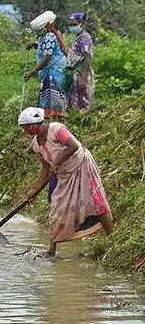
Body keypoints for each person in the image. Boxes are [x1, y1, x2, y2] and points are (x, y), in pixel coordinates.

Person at [18, 107, 113, 257]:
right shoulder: (36, 145)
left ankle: (111, 237)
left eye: (25, 127)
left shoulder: (56, 130)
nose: (25, 131)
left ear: (33, 125)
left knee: (96, 201)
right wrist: (35, 188)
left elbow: (73, 146)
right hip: (64, 174)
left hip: (81, 165)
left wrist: (56, 162)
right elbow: (45, 166)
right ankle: (51, 250)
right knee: (56, 208)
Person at [25, 11, 67, 120]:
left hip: (55, 69)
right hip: (49, 69)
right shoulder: (44, 36)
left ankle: (58, 116)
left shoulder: (50, 36)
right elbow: (43, 47)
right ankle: (49, 114)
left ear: (46, 26)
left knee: (55, 91)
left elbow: (47, 57)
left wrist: (33, 71)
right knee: (47, 92)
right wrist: (35, 45)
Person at [66, 12, 95, 114]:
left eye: (74, 24)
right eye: (70, 25)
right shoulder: (78, 38)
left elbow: (87, 58)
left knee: (82, 100)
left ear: (81, 24)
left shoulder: (85, 38)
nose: (71, 27)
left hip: (81, 73)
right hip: (75, 73)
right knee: (74, 101)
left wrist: (83, 78)